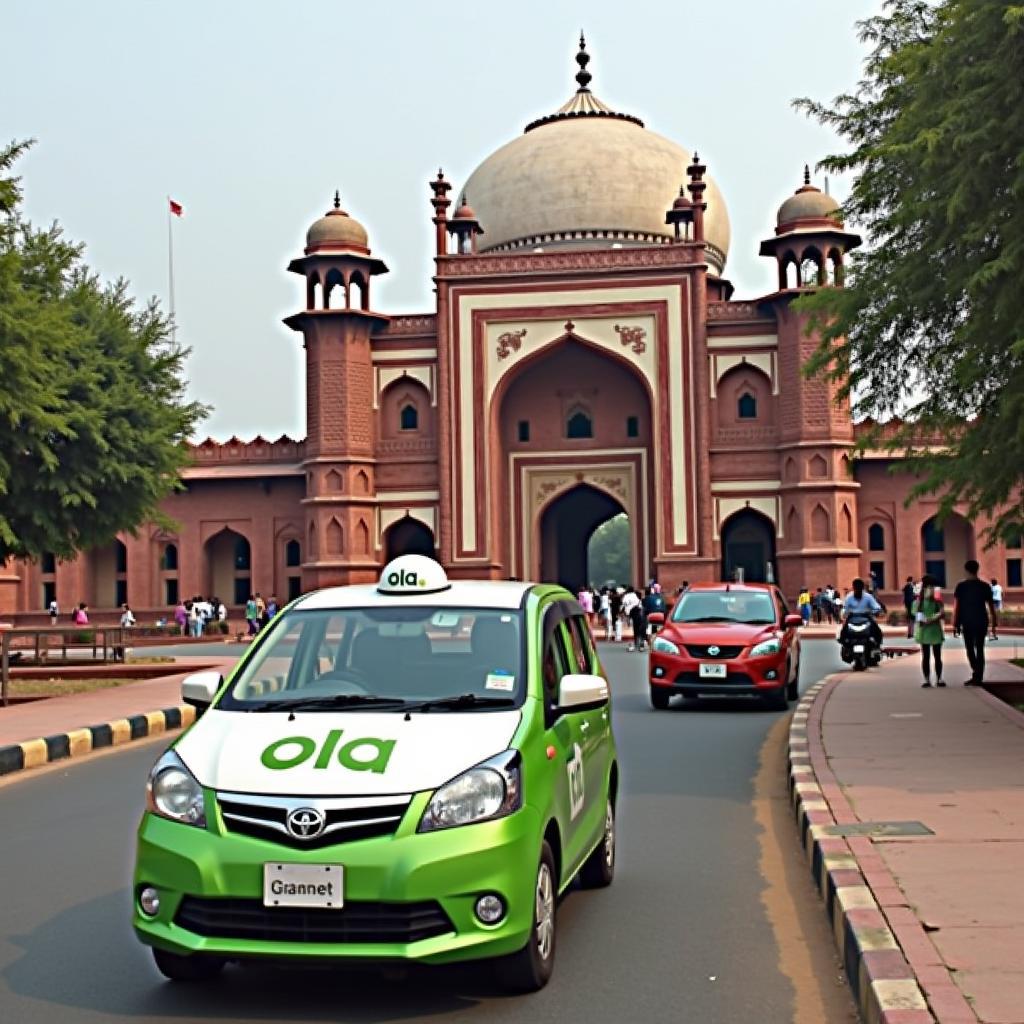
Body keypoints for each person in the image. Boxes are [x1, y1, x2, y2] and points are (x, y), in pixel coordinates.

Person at [953, 560, 997, 685]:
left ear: (966, 570)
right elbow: (991, 607)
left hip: (966, 621)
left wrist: (955, 624)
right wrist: (994, 623)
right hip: (981, 621)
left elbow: (957, 606)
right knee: (980, 648)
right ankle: (978, 675)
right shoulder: (985, 586)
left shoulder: (961, 586)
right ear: (977, 569)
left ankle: (976, 673)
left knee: (970, 649)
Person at [911, 575, 945, 688]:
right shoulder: (919, 598)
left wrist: (931, 619)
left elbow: (941, 611)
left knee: (936, 656)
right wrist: (927, 620)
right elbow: (916, 613)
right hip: (926, 630)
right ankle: (928, 679)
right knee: (927, 656)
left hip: (933, 629)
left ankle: (937, 678)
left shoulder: (936, 596)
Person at [841, 578, 883, 649]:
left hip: (866, 617)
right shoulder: (849, 597)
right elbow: (845, 608)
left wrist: (877, 611)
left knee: (878, 631)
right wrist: (843, 614)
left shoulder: (868, 597)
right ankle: (845, 647)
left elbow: (876, 607)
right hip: (852, 618)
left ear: (862, 588)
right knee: (843, 632)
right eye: (856, 588)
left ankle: (877, 646)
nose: (858, 589)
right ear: (853, 588)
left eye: (859, 588)